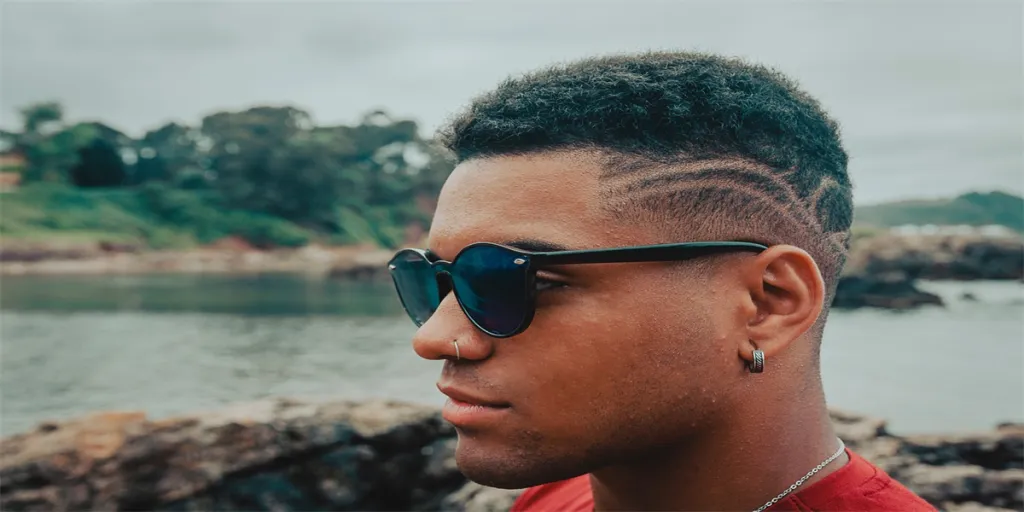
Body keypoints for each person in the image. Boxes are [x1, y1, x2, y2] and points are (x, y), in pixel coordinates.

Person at [388, 51, 935, 511]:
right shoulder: (558, 495)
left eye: (513, 280)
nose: (434, 338)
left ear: (768, 303)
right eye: (434, 279)